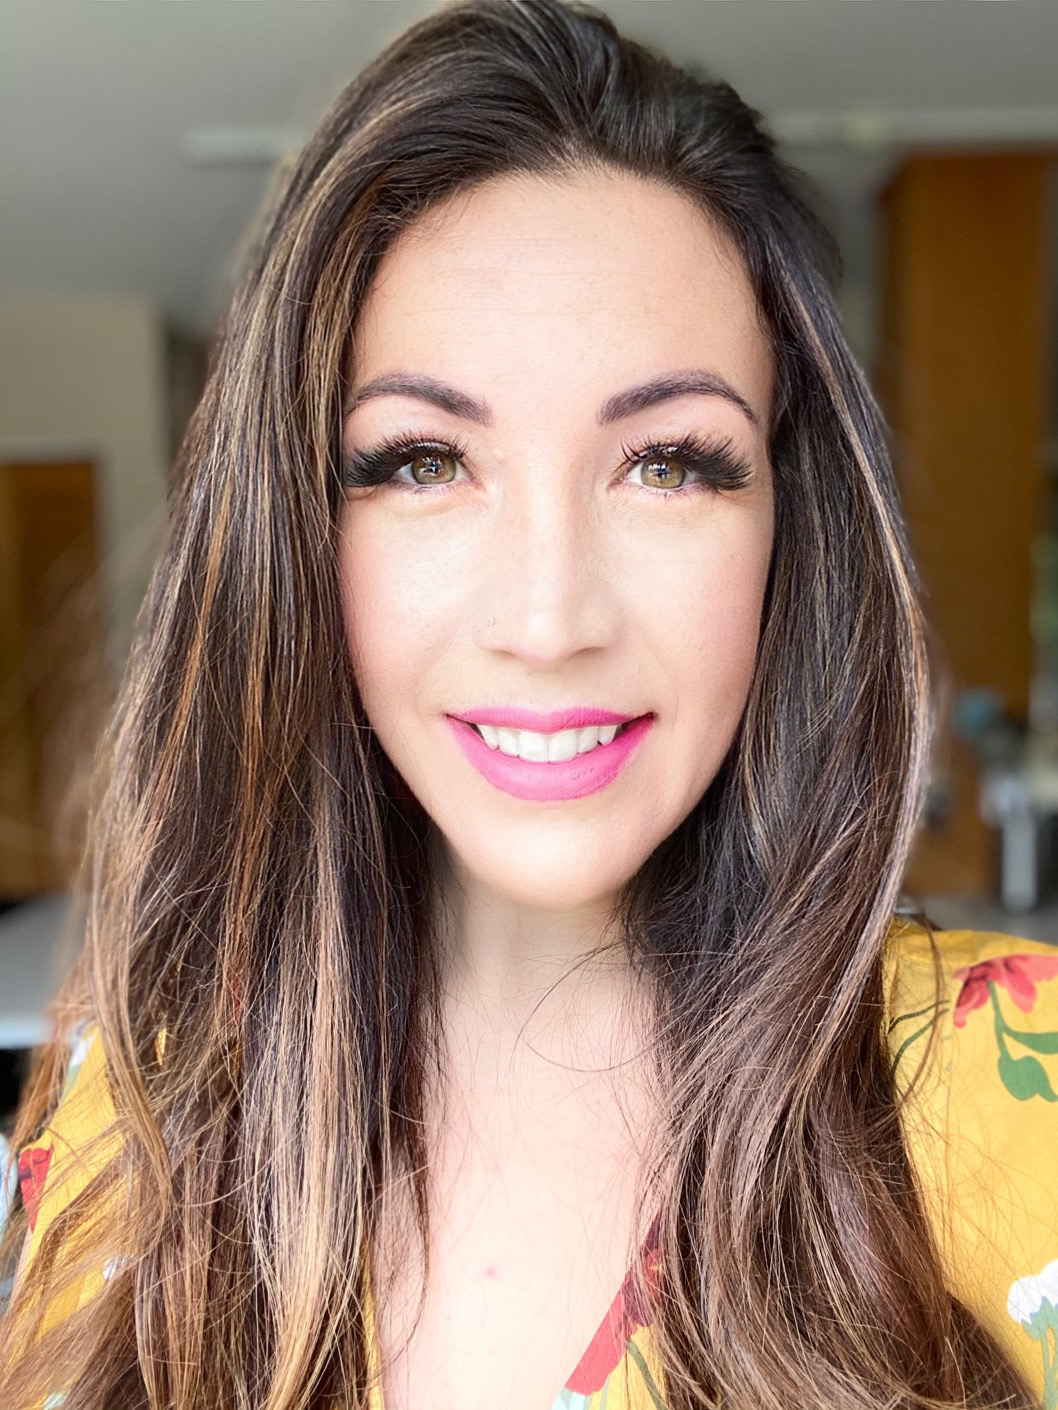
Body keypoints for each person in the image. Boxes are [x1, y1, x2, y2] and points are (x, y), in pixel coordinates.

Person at [1, 0, 1056, 1406]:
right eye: (424, 461)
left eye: (669, 463)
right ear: (297, 535)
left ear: (788, 531)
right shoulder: (125, 1105)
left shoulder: (1025, 1092)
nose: (551, 623)